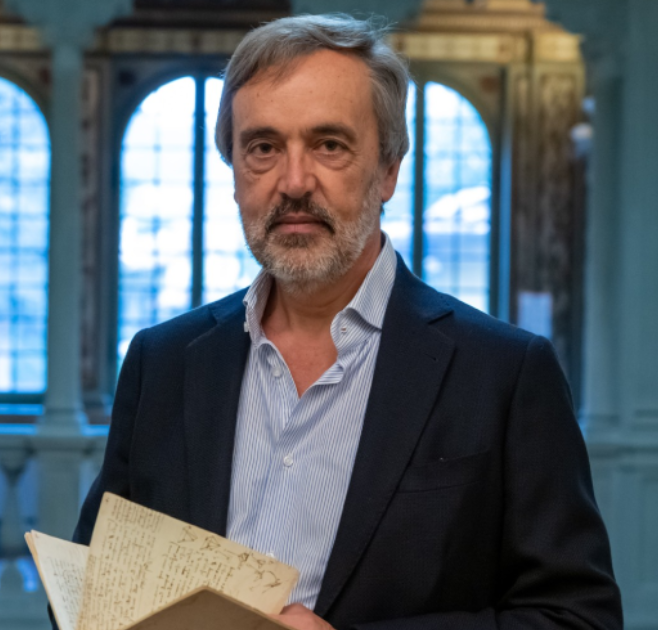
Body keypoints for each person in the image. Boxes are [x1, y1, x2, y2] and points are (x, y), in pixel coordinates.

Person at [73, 14, 622, 630]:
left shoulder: (505, 375)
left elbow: (578, 619)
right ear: (234, 174)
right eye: (263, 148)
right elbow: (95, 587)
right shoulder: (161, 363)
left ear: (388, 170)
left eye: (329, 145)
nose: (294, 182)